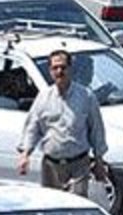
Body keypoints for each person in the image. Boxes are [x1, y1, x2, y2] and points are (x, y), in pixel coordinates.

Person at [17, 50, 108, 196]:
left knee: (76, 206)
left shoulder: (86, 97)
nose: (59, 71)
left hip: (78, 165)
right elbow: (32, 127)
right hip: (51, 166)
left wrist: (99, 160)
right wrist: (25, 154)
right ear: (50, 71)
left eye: (63, 67)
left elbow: (96, 130)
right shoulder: (43, 97)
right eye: (55, 68)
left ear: (70, 69)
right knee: (53, 209)